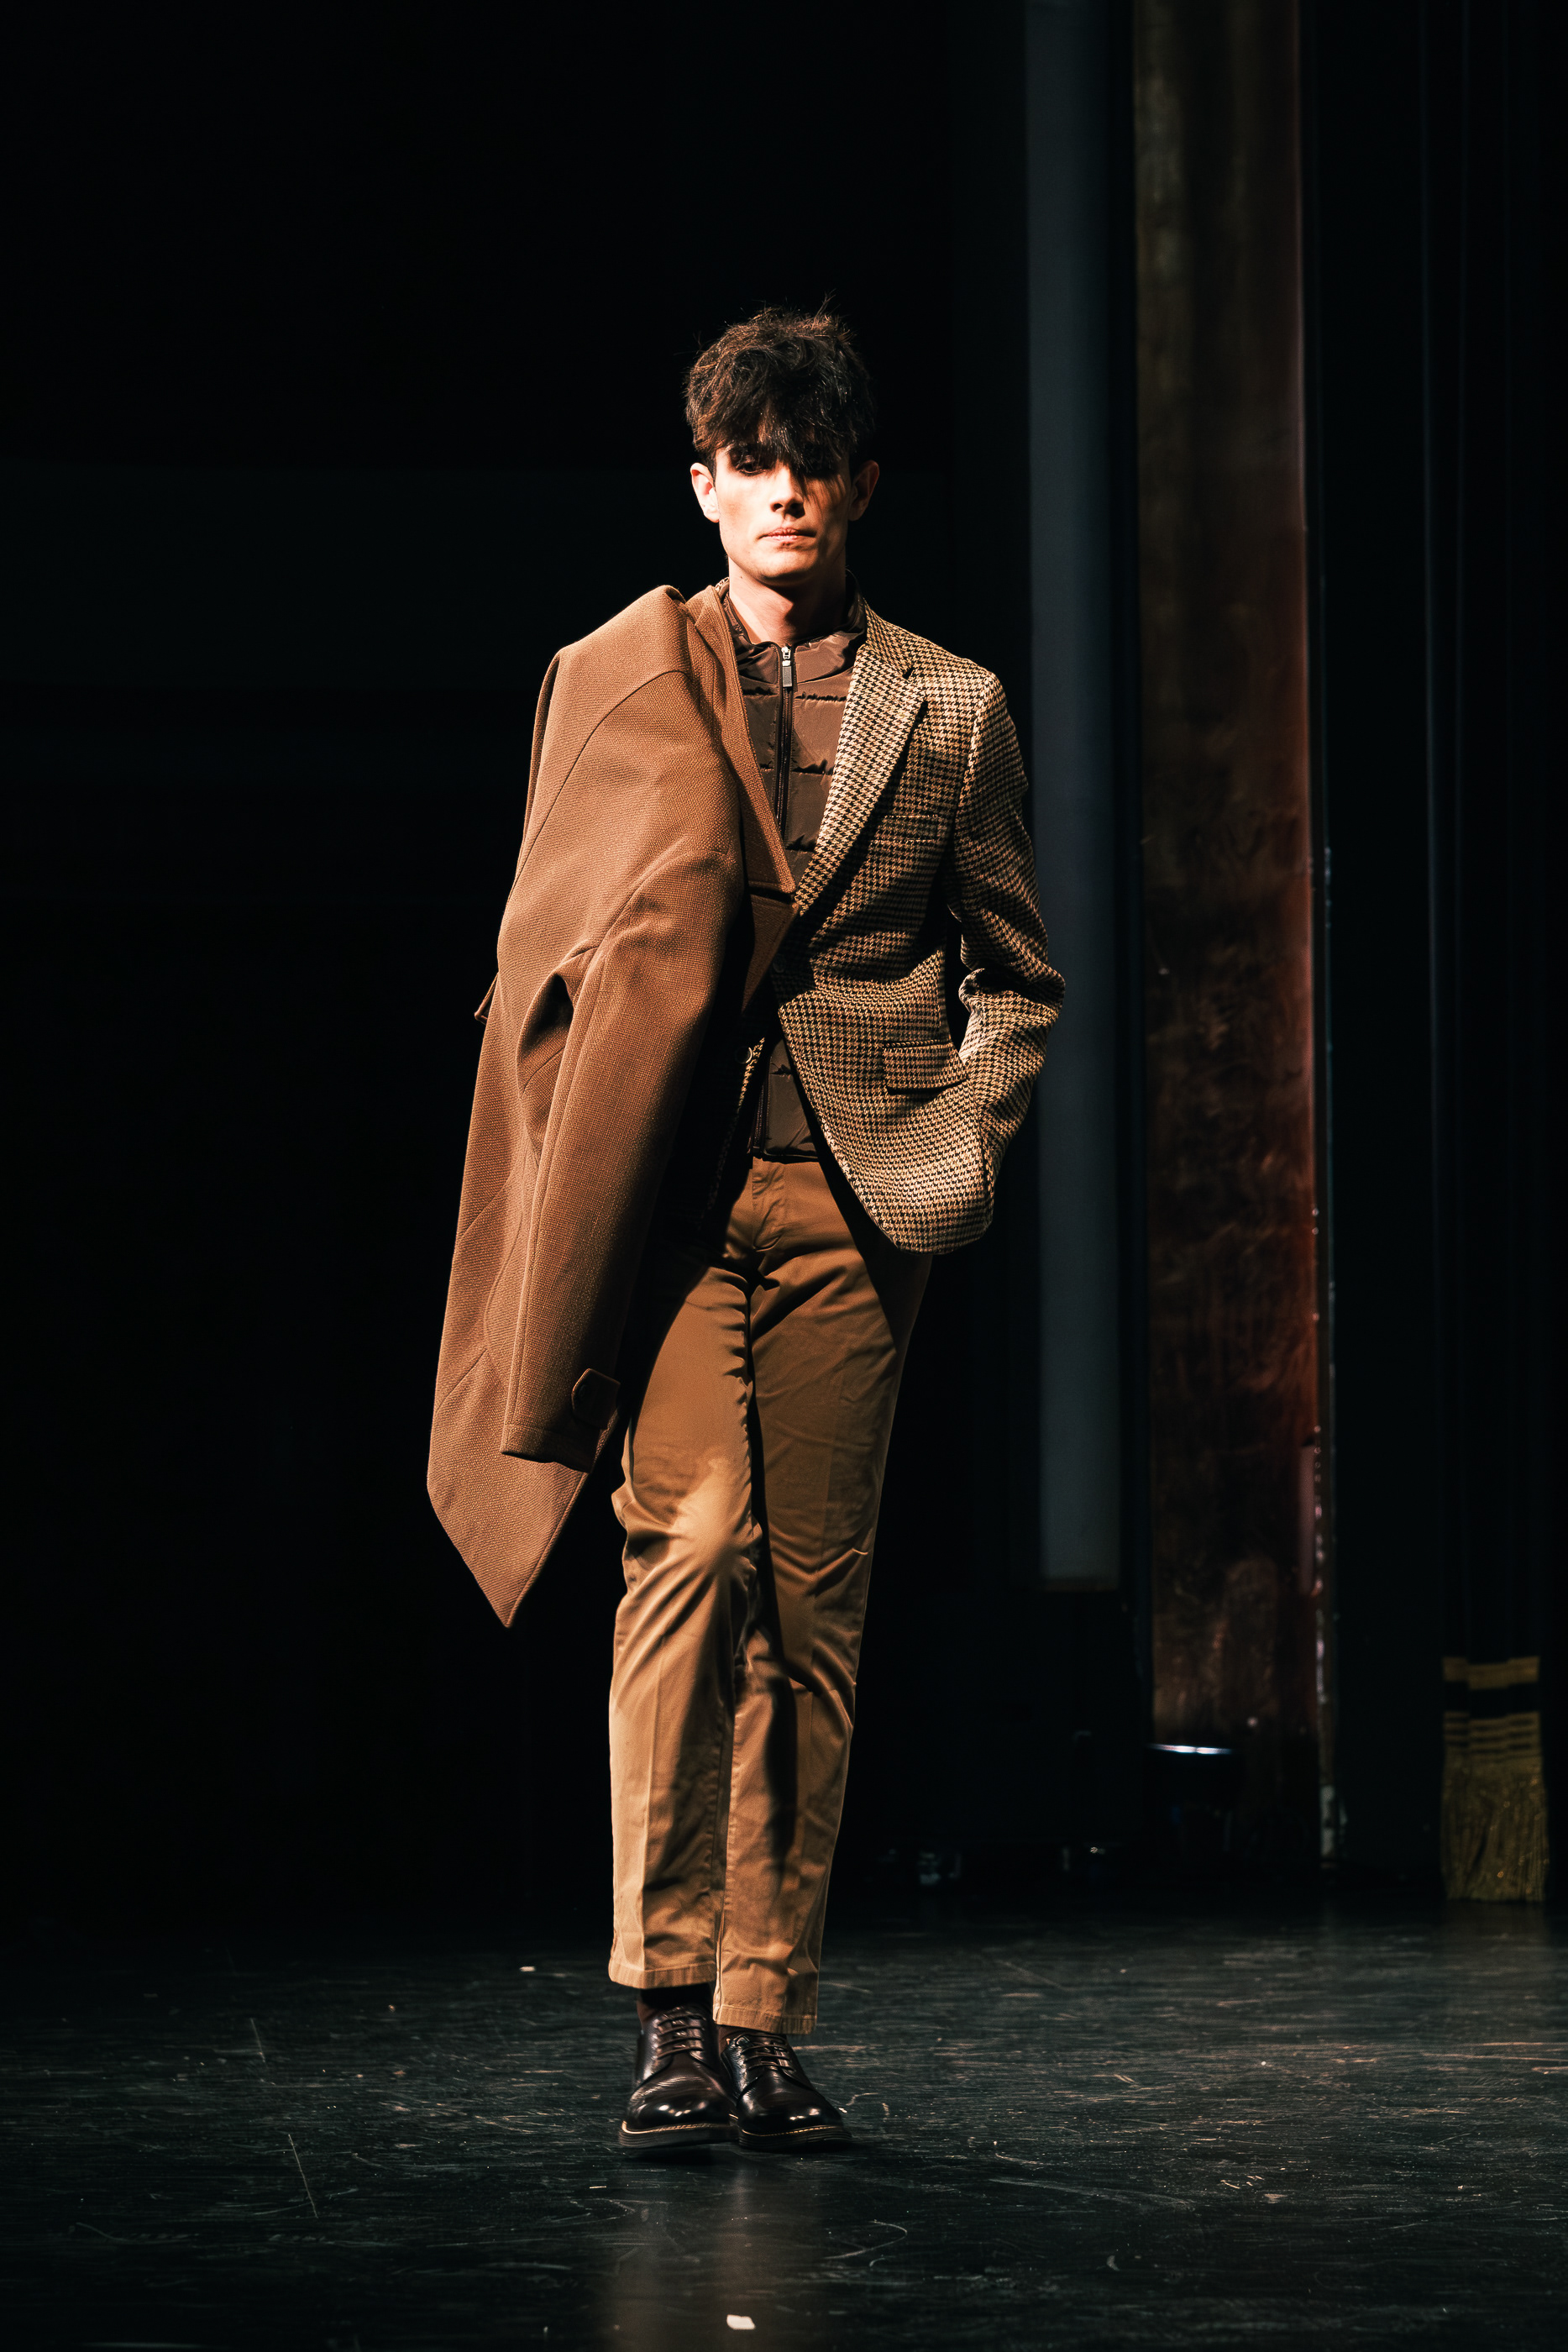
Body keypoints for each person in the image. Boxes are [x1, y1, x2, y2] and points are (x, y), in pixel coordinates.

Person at [428, 309, 1062, 2155]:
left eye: (815, 463)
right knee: (688, 1547)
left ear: (860, 486)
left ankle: (762, 2014)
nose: (785, 491)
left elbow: (1014, 971)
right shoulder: (618, 674)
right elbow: (547, 938)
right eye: (753, 462)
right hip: (677, 1197)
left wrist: (958, 1137)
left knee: (813, 1604)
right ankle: (663, 2008)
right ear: (703, 484)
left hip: (855, 1199)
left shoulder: (947, 704)